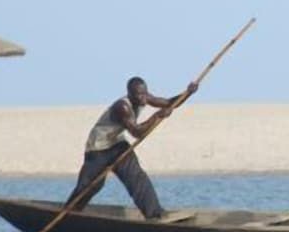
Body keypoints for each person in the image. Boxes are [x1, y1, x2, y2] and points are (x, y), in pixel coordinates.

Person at [65, 76, 197, 220]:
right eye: (139, 94)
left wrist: (188, 93)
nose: (143, 98)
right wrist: (157, 116)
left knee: (136, 176)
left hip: (117, 144)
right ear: (130, 94)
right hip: (98, 148)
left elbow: (169, 103)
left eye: (145, 93)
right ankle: (68, 214)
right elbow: (137, 132)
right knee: (89, 186)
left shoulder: (145, 97)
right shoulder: (122, 107)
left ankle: (154, 213)